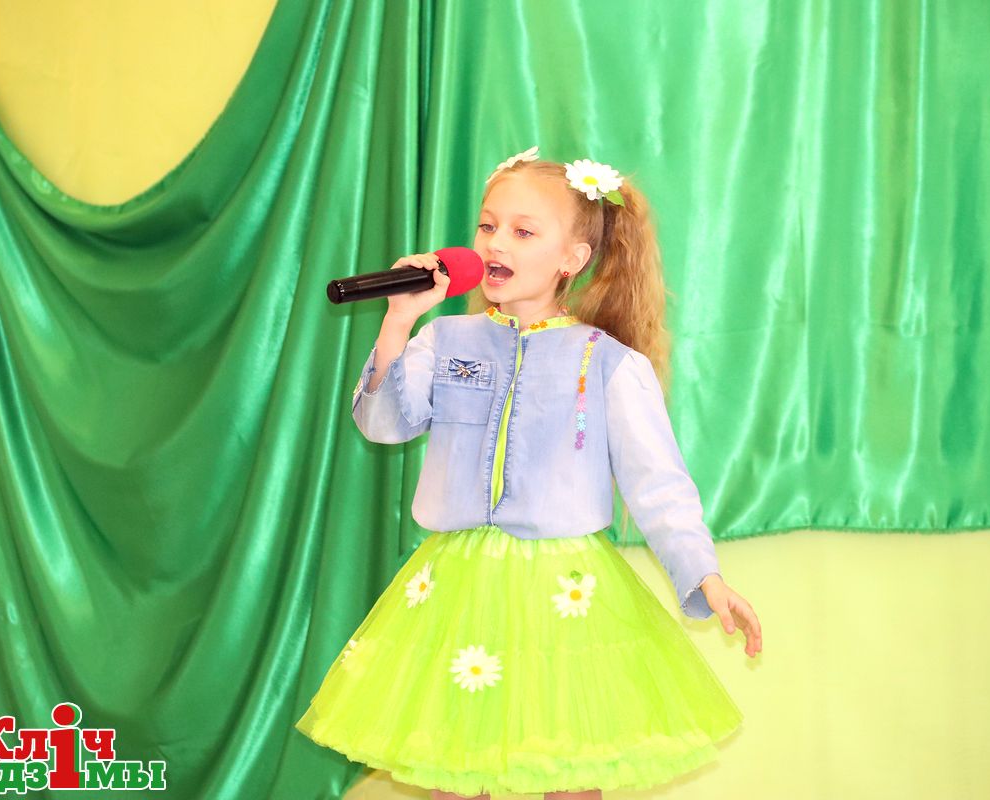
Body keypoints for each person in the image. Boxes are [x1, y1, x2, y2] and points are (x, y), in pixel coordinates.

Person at [295, 145, 763, 800]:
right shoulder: (443, 340)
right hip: (457, 591)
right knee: (456, 771)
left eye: (523, 231)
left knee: (567, 772)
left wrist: (704, 575)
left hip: (567, 598)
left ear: (572, 256)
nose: (496, 242)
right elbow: (383, 423)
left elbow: (657, 484)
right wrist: (399, 321)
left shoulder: (606, 363)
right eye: (488, 225)